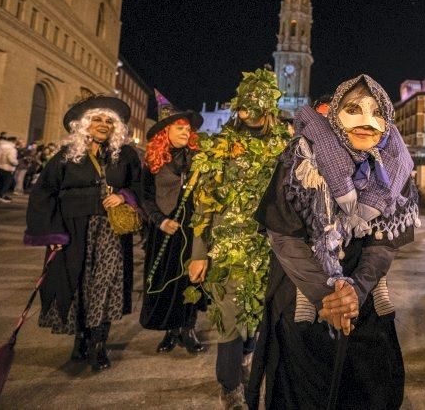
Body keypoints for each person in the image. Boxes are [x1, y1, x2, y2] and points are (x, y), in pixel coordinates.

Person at [247, 74, 419, 409]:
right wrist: (327, 296)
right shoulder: (301, 158)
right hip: (303, 292)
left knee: (366, 386)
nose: (366, 121)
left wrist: (356, 290)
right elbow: (283, 234)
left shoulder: (395, 165)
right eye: (353, 109)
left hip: (363, 296)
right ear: (335, 115)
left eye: (376, 112)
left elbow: (383, 242)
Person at [189, 68, 290, 408]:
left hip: (269, 248)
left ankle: (248, 361)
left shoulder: (284, 147)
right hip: (228, 249)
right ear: (239, 109)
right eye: (246, 107)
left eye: (260, 107)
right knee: (229, 318)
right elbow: (203, 205)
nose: (252, 114)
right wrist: (199, 253)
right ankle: (230, 384)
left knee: (260, 315)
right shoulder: (220, 148)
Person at [23, 96, 141, 372]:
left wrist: (124, 196)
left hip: (110, 232)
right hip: (73, 231)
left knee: (106, 285)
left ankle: (99, 343)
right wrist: (52, 234)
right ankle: (80, 337)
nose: (103, 125)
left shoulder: (125, 155)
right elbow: (44, 193)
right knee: (77, 286)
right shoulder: (65, 155)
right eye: (97, 119)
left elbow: (141, 186)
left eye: (109, 121)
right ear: (85, 125)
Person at [139, 97, 207, 355]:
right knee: (166, 279)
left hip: (192, 228)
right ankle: (170, 330)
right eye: (180, 128)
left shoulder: (198, 158)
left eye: (188, 129)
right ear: (164, 131)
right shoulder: (153, 161)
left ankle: (188, 328)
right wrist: (160, 220)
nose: (185, 132)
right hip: (165, 228)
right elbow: (145, 196)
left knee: (190, 279)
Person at [0, 136, 18, 202]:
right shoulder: (12, 149)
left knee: (0, 182)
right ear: (13, 142)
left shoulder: (0, 148)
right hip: (7, 168)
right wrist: (16, 163)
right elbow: (11, 159)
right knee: (6, 183)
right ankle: (2, 196)